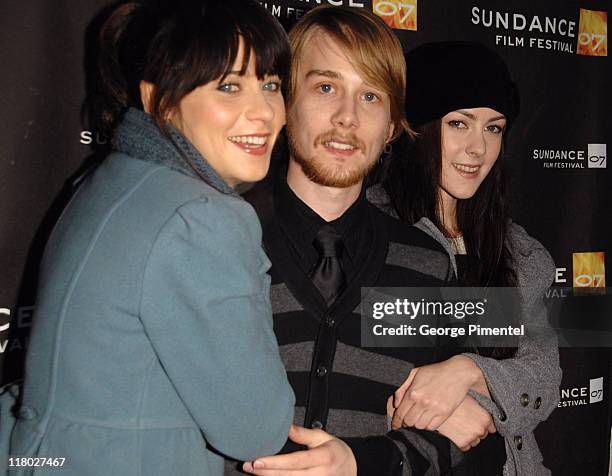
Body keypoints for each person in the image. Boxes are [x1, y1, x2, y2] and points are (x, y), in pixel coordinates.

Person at [7, 1, 295, 475]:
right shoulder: (201, 217)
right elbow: (256, 428)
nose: (263, 111)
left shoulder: (113, 180)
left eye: (270, 85)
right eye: (229, 86)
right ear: (159, 98)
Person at [237, 8, 498, 476]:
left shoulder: (423, 264)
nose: (347, 117)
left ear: (393, 126)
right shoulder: (221, 241)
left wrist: (366, 463)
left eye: (371, 96)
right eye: (326, 87)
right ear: (284, 100)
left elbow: (468, 433)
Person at [377, 41, 562, 475]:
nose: (478, 148)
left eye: (493, 128)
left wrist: (466, 373)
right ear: (418, 127)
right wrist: (447, 410)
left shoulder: (519, 252)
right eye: (459, 123)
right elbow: (344, 368)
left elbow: (544, 374)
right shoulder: (368, 231)